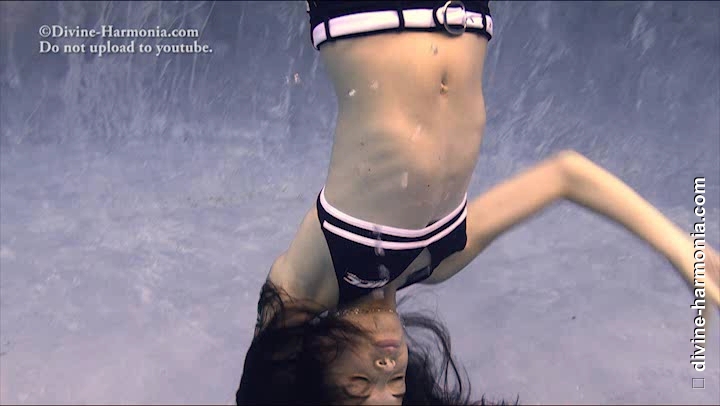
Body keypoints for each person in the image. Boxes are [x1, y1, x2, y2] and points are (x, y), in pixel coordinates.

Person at [236, 1, 719, 404]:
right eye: (397, 385)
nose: (387, 366)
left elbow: (261, 389)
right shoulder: (438, 258)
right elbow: (565, 175)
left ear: (312, 371)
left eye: (360, 385)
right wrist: (684, 250)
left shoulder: (310, 281)